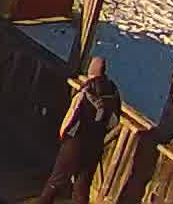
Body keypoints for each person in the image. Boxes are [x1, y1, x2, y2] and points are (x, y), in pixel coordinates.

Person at [37, 55, 120, 204]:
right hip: (95, 145)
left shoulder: (85, 90)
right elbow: (113, 123)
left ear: (91, 71)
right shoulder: (113, 92)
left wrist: (64, 138)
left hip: (75, 143)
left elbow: (71, 118)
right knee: (82, 188)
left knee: (56, 180)